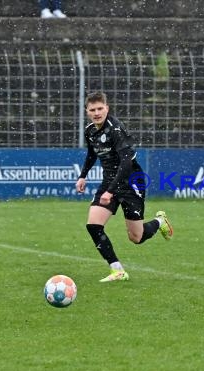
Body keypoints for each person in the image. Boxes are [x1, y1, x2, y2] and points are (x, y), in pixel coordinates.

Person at [76, 91, 173, 282]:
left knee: (136, 237)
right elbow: (92, 154)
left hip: (131, 181)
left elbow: (127, 163)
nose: (97, 113)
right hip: (109, 181)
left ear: (107, 108)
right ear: (87, 111)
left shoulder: (116, 129)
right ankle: (117, 270)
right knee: (93, 226)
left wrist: (111, 191)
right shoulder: (90, 131)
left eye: (100, 108)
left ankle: (159, 222)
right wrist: (83, 176)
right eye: (92, 109)